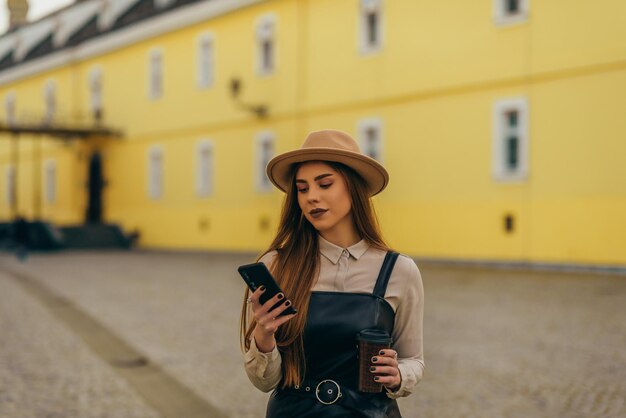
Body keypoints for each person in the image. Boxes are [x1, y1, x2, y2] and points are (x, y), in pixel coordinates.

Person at [240, 130, 424, 417]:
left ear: (353, 187)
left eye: (324, 184)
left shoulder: (400, 270)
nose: (312, 197)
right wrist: (264, 336)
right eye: (302, 189)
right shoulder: (277, 264)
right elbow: (265, 382)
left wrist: (398, 374)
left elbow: (414, 359)